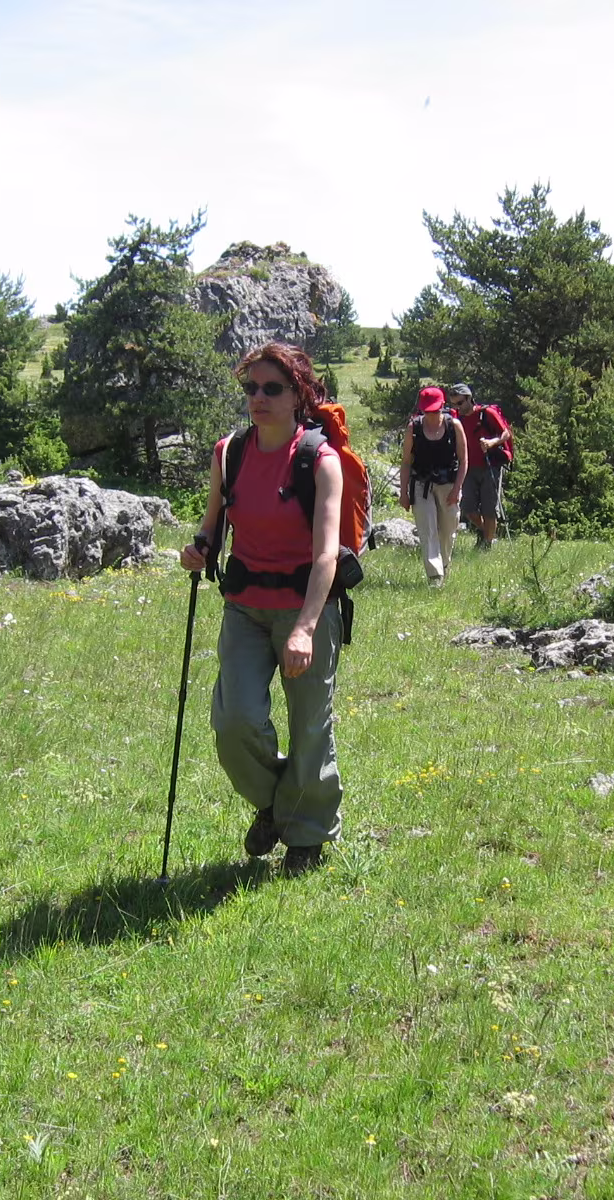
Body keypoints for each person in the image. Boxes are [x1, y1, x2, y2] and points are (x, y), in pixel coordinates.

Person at [179, 342, 344, 875]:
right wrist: (199, 548)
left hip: (305, 609)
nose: (259, 398)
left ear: (299, 394)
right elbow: (212, 523)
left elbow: (326, 555)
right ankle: (277, 805)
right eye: (251, 387)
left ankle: (307, 838)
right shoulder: (229, 453)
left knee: (309, 725)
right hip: (245, 607)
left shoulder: (320, 461)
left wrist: (305, 629)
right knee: (235, 722)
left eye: (272, 388)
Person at [399, 386, 467, 585]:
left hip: (449, 485)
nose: (432, 414)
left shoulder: (454, 426)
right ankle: (435, 577)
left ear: (442, 406)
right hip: (421, 485)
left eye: (435, 410)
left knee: (448, 531)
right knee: (427, 530)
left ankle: (444, 566)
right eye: (428, 411)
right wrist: (403, 493)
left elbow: (464, 460)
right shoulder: (413, 428)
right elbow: (406, 462)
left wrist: (457, 489)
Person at [450, 383, 511, 547]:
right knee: (468, 509)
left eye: (460, 403)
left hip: (490, 465)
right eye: (454, 404)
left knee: (489, 509)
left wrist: (492, 442)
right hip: (468, 467)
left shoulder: (486, 413)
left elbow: (506, 433)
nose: (457, 407)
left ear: (469, 398)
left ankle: (487, 544)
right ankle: (487, 533)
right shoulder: (458, 418)